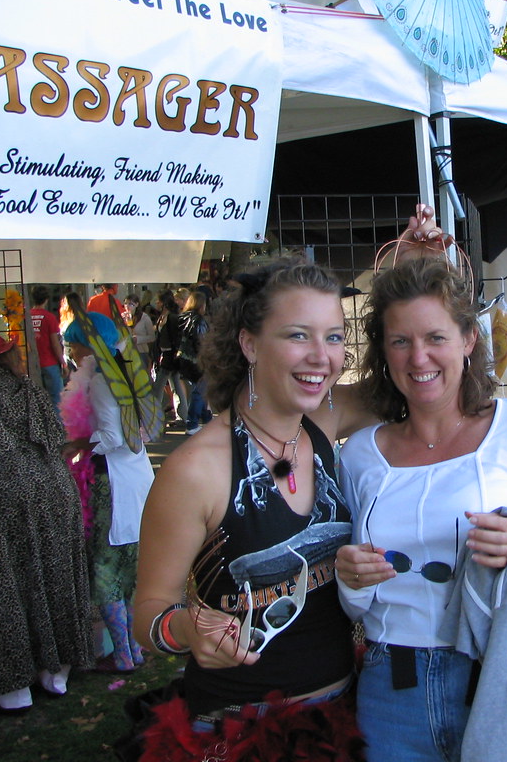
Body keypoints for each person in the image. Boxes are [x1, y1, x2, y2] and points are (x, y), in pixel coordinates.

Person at [333, 255, 507, 761]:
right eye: (400, 341)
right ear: (383, 351)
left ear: (468, 339)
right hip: (391, 692)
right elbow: (356, 604)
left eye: (435, 337)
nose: (418, 358)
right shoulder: (358, 455)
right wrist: (351, 582)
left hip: (502, 679)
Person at [130, 257, 368, 761]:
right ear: (249, 343)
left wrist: (424, 269)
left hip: (341, 717)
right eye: (299, 335)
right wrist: (188, 628)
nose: (322, 358)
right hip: (241, 734)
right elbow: (149, 612)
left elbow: (428, 369)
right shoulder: (196, 470)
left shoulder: (323, 422)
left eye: (334, 337)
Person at [0, 332, 93, 713]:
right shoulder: (33, 391)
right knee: (56, 576)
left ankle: (13, 689)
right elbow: (55, 440)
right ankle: (56, 671)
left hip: (7, 495)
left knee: (2, 584)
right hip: (56, 490)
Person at [62, 312, 155, 674]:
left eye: (73, 343)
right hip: (137, 481)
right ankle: (134, 649)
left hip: (112, 485)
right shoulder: (129, 373)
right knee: (130, 570)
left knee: (105, 571)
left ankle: (122, 654)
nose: (70, 351)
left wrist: (79, 444)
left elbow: (115, 439)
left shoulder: (102, 382)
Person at [177, 291, 213, 435]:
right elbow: (202, 341)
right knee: (200, 390)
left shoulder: (182, 318)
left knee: (200, 389)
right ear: (201, 304)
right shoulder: (199, 321)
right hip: (198, 359)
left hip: (184, 358)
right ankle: (192, 423)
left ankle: (206, 418)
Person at [151, 289, 189, 425]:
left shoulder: (171, 317)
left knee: (159, 387)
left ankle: (154, 417)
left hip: (169, 356)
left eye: (159, 301)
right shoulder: (166, 316)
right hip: (168, 355)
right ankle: (183, 416)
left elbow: (175, 338)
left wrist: (174, 354)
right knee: (175, 386)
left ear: (164, 303)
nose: (156, 303)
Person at [29, 285, 67, 409]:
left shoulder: (26, 317)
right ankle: (56, 427)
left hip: (32, 365)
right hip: (50, 363)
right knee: (56, 400)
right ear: (46, 299)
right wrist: (63, 363)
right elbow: (55, 343)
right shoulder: (49, 318)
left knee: (36, 401)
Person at [125, 293, 156, 371]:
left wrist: (138, 339)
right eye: (125, 303)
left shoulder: (144, 318)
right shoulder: (123, 317)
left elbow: (152, 337)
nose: (127, 306)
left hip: (141, 351)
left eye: (130, 304)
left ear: (137, 304)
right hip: (127, 351)